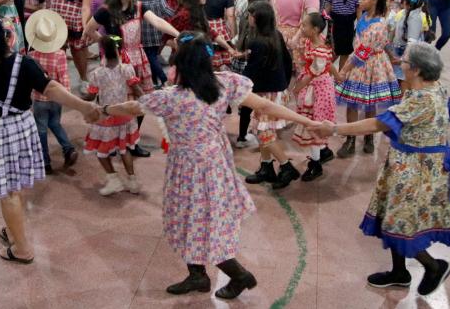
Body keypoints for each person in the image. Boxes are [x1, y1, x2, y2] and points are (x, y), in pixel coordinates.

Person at [105, 32, 318, 299]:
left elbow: (133, 107)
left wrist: (104, 110)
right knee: (199, 220)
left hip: (189, 168)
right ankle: (198, 276)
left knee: (198, 222)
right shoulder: (223, 84)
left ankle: (240, 276)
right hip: (216, 162)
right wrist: (307, 121)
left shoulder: (172, 97)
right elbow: (263, 104)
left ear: (180, 67)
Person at [314, 42, 450, 294]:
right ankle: (399, 272)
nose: (400, 64)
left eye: (405, 62)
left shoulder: (421, 99)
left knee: (400, 222)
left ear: (416, 70)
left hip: (418, 169)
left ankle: (434, 266)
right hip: (409, 164)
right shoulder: (433, 88)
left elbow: (378, 124)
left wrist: (334, 128)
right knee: (392, 215)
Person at [0, 17, 99, 264]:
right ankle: (12, 231)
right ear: (6, 39)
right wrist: (84, 106)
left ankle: (22, 248)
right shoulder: (23, 63)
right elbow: (50, 88)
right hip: (21, 127)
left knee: (8, 192)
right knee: (18, 185)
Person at [84, 0, 181, 157]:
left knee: (141, 102)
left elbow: (158, 22)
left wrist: (178, 34)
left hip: (138, 58)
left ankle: (132, 141)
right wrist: (106, 44)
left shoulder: (138, 6)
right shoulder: (106, 10)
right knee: (116, 104)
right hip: (118, 63)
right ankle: (112, 141)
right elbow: (89, 29)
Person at [241, 1, 302, 190]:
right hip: (277, 90)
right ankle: (266, 166)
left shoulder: (256, 42)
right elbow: (287, 60)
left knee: (263, 132)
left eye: (251, 15)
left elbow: (252, 71)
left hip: (265, 93)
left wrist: (241, 89)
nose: (249, 18)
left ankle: (286, 166)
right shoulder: (275, 35)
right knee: (266, 131)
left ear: (258, 18)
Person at [336, 0, 401, 156]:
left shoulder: (379, 24)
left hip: (368, 65)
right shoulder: (364, 16)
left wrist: (344, 70)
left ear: (374, 0)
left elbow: (364, 51)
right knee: (353, 103)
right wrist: (392, 55)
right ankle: (350, 139)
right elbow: (381, 43)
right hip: (359, 62)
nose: (360, 1)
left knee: (369, 102)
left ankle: (368, 136)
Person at [82, 36, 144, 195]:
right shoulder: (127, 69)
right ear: (118, 50)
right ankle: (133, 181)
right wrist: (145, 103)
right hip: (125, 116)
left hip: (105, 118)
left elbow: (90, 97)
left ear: (102, 51)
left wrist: (79, 99)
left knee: (102, 152)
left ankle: (114, 180)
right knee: (125, 149)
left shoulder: (96, 74)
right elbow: (137, 90)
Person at [25, 10, 78, 174]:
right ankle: (68, 148)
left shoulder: (31, 56)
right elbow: (65, 78)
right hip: (56, 97)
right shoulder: (60, 55)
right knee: (55, 123)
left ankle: (45, 162)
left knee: (41, 129)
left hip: (39, 99)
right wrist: (67, 96)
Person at [291, 12, 338, 180]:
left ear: (315, 29)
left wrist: (298, 88)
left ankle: (316, 165)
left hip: (318, 90)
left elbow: (314, 73)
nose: (301, 28)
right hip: (313, 88)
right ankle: (323, 151)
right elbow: (326, 65)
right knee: (313, 122)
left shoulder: (320, 49)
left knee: (313, 126)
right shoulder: (312, 42)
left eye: (304, 25)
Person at [45, 0, 96, 91]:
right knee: (57, 51)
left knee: (78, 51)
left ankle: (84, 79)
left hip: (74, 21)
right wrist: (56, 1)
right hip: (56, 19)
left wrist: (85, 26)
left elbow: (86, 7)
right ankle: (59, 80)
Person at [274, 0, 321, 68]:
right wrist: (295, 38)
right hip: (300, 38)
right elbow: (312, 17)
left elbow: (273, 14)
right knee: (298, 76)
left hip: (278, 36)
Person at [135, 0, 174, 89]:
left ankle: (161, 79)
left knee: (150, 57)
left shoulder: (138, 0)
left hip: (144, 34)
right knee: (153, 56)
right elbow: (167, 12)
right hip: (158, 33)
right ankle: (158, 80)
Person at [388, 0, 430, 91]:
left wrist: (403, 59)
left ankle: (403, 102)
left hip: (407, 54)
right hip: (400, 51)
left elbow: (412, 43)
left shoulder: (414, 17)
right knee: (399, 79)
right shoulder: (405, 13)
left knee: (404, 81)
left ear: (405, 2)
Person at [202, 0, 236, 70]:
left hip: (203, 25)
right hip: (219, 27)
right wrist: (233, 34)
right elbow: (230, 15)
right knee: (221, 62)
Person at [325, 0, 360, 69]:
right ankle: (326, 74)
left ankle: (340, 77)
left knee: (345, 52)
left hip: (348, 25)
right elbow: (328, 7)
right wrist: (324, 20)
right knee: (333, 50)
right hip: (334, 23)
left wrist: (360, 25)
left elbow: (358, 10)